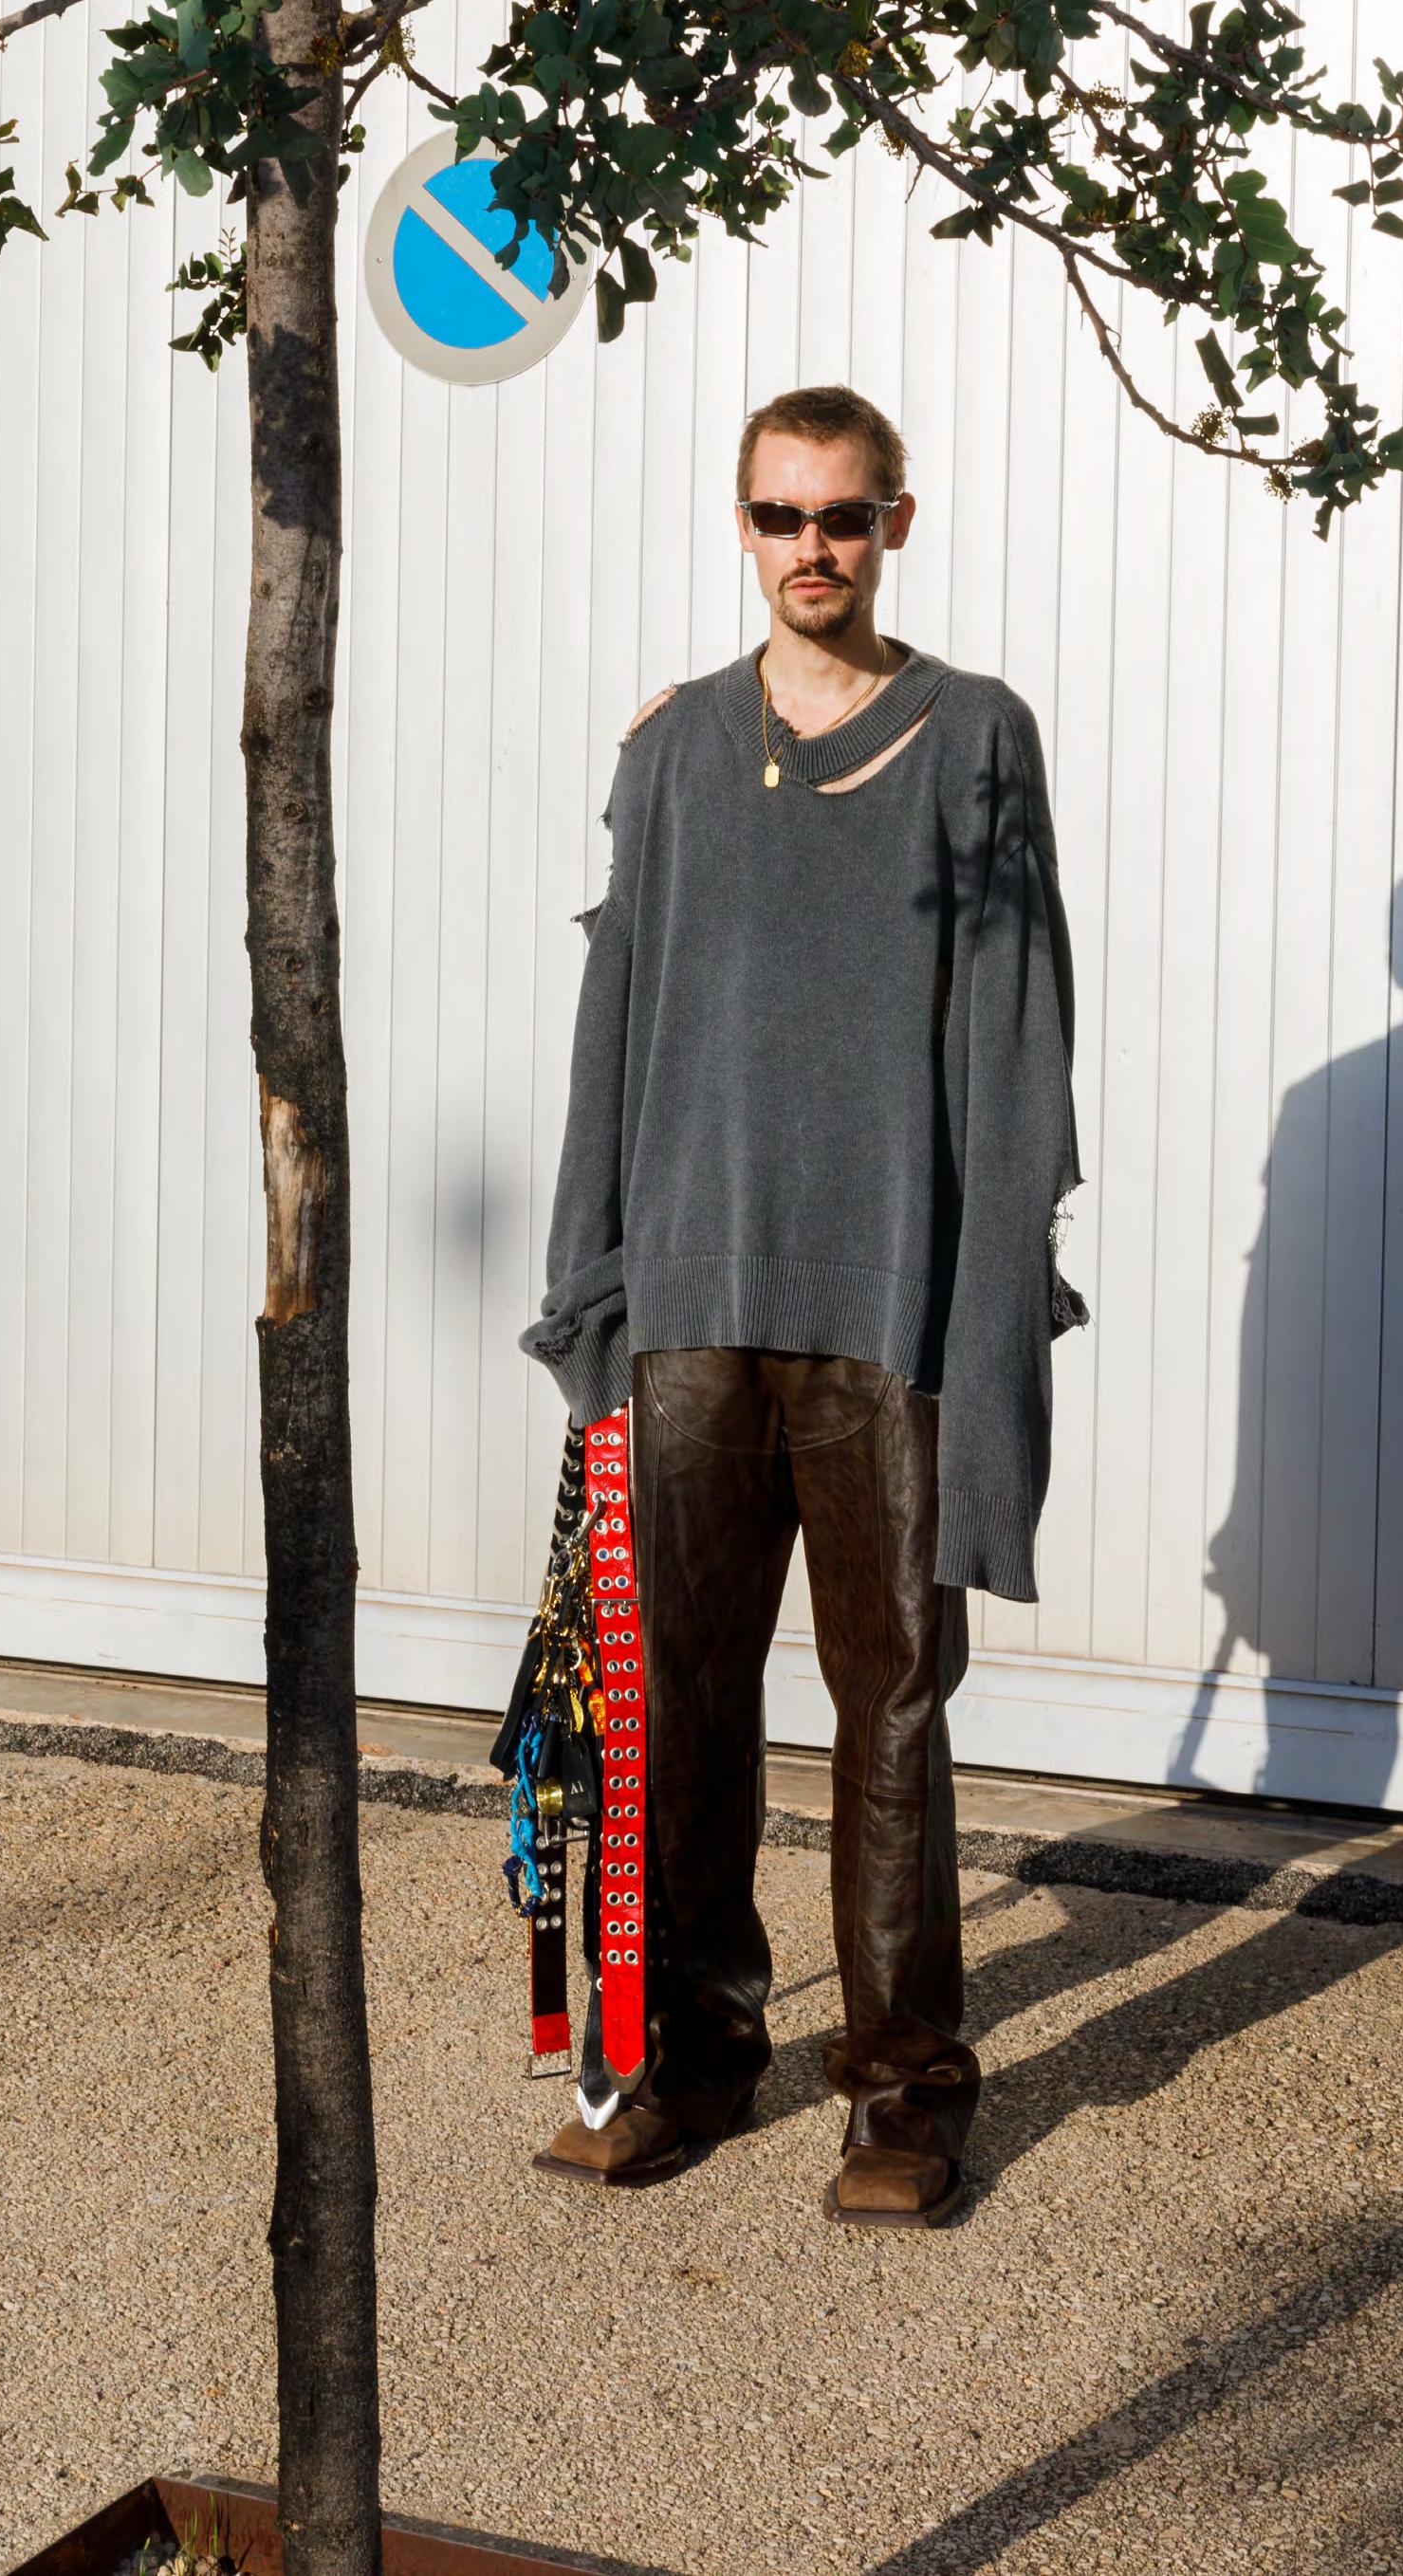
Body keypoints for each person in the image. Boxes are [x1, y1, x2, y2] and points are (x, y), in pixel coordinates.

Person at [519, 382, 1084, 2227]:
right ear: (743, 523)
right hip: (692, 1292)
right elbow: (613, 1026)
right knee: (673, 1695)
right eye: (780, 515)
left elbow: (1016, 1036)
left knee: (891, 1700)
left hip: (886, 1301)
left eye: (843, 514)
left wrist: (991, 1301)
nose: (811, 547)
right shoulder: (677, 746)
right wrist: (592, 1281)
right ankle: (689, 2053)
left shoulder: (974, 737)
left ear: (895, 522)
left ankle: (903, 2086)